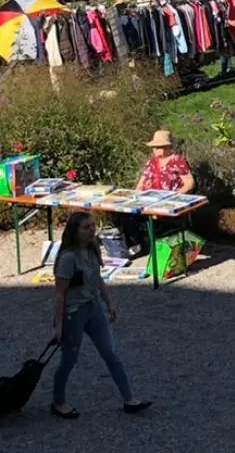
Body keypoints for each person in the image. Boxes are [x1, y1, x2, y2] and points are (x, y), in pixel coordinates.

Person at [49, 211, 152, 420]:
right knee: (69, 360)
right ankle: (58, 401)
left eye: (92, 226)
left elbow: (97, 278)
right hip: (73, 313)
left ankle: (129, 399)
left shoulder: (93, 249)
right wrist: (58, 325)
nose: (91, 230)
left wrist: (109, 302)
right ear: (74, 231)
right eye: (85, 227)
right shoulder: (68, 258)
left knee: (110, 353)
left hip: (92, 307)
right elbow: (60, 295)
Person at [135, 130, 195, 194]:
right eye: (154, 147)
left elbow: (189, 184)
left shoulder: (178, 161)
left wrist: (174, 196)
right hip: (149, 199)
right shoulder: (151, 162)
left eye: (158, 147)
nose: (155, 149)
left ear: (167, 147)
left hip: (171, 200)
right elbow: (140, 184)